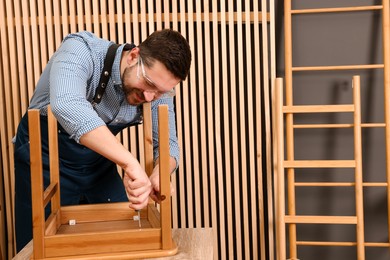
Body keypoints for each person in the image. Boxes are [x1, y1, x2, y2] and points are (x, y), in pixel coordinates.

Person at [13, 29, 191, 251]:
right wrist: (130, 163)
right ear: (134, 56)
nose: (149, 97)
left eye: (160, 92)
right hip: (43, 158)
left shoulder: (156, 91)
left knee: (120, 242)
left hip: (96, 164)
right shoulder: (82, 50)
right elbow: (66, 104)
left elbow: (168, 145)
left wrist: (160, 171)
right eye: (148, 83)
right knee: (37, 248)